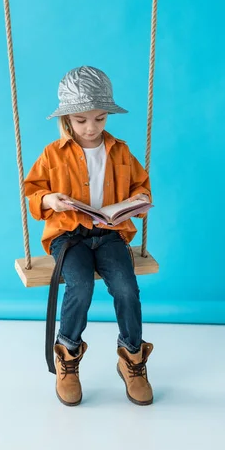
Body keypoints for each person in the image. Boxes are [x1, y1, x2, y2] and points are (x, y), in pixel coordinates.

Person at [24, 66, 154, 407]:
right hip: (68, 235)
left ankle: (132, 358)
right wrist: (49, 199)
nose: (91, 127)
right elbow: (33, 192)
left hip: (109, 233)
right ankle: (68, 356)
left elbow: (141, 186)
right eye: (81, 120)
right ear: (67, 119)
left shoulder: (121, 151)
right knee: (80, 285)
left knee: (127, 288)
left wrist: (139, 201)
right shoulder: (53, 154)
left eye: (99, 118)